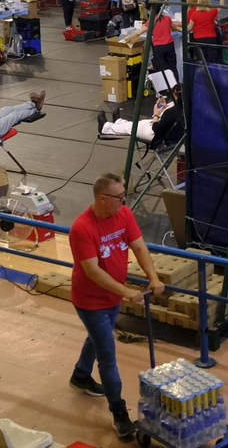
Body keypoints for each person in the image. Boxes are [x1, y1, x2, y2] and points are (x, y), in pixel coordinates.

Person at [68, 173, 164, 441]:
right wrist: (126, 292)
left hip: (112, 299)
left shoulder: (123, 215)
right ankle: (119, 412)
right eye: (120, 197)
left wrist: (153, 278)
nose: (124, 202)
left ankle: (80, 375)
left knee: (98, 338)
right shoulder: (82, 228)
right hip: (91, 301)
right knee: (107, 355)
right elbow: (93, 271)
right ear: (103, 198)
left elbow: (139, 247)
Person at [98, 89, 183, 147]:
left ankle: (105, 127)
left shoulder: (173, 112)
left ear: (177, 96)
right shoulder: (183, 107)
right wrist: (165, 107)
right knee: (140, 123)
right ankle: (119, 122)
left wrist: (156, 114)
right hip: (167, 132)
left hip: (157, 136)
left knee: (133, 127)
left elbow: (156, 128)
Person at [186, 0, 223, 64]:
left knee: (200, 60)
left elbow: (189, 27)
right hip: (211, 38)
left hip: (199, 39)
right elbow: (221, 6)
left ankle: (202, 74)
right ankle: (212, 74)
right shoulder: (212, 12)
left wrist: (181, 31)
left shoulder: (194, 14)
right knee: (212, 59)